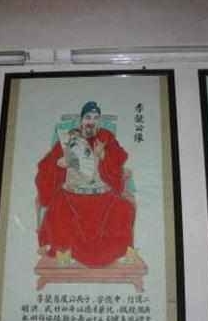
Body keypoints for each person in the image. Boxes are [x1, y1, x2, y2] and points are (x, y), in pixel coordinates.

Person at [35, 101, 135, 267]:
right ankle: (67, 252)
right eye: (88, 117)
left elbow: (119, 159)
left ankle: (117, 252)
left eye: (96, 118)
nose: (91, 121)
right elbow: (46, 165)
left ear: (99, 121)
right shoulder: (69, 138)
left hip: (102, 195)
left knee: (123, 208)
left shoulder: (106, 137)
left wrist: (103, 155)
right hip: (72, 194)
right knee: (57, 210)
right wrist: (59, 164)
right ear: (81, 120)